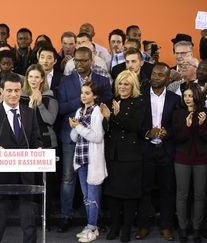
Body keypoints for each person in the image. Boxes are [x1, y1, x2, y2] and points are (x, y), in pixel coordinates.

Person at [0, 73, 42, 243]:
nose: (13, 94)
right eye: (9, 90)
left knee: (29, 222)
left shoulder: (29, 113)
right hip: (1, 176)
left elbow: (36, 140)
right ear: (1, 91)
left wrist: (40, 149)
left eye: (17, 90)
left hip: (25, 175)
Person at [57, 47, 112, 233]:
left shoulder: (103, 81)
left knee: (94, 182)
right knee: (68, 178)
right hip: (71, 137)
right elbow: (61, 108)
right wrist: (80, 102)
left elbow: (106, 106)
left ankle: (94, 219)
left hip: (94, 141)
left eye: (83, 61)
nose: (79, 64)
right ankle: (65, 216)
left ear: (92, 61)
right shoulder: (65, 81)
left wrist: (90, 104)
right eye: (76, 61)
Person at [135, 63, 180, 241]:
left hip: (166, 151)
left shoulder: (174, 99)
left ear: (168, 79)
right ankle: (143, 226)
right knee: (144, 189)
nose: (155, 77)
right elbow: (135, 123)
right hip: (146, 150)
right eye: (154, 74)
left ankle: (166, 226)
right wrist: (147, 132)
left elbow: (177, 125)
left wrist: (167, 133)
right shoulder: (140, 97)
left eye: (160, 75)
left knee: (167, 189)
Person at [101, 70, 145, 242]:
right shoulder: (110, 101)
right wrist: (106, 119)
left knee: (129, 195)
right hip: (113, 155)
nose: (123, 87)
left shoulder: (139, 102)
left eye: (126, 84)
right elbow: (105, 128)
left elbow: (135, 127)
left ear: (133, 85)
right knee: (113, 194)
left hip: (131, 156)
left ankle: (126, 229)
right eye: (120, 83)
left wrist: (115, 116)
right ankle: (115, 226)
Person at [172, 83, 207, 243]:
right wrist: (188, 126)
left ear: (197, 96)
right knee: (182, 194)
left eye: (190, 95)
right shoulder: (177, 114)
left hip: (202, 159)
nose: (187, 99)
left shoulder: (206, 113)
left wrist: (201, 126)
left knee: (199, 195)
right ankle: (183, 228)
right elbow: (177, 138)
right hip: (182, 158)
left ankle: (197, 228)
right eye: (185, 96)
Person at [70, 82, 107, 243]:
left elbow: (97, 137)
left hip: (93, 161)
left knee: (93, 197)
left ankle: (92, 227)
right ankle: (90, 226)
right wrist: (74, 127)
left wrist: (78, 127)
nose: (83, 96)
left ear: (95, 95)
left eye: (87, 93)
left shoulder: (97, 111)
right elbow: (73, 138)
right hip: (80, 158)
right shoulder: (79, 111)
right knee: (86, 196)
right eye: (82, 93)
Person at [20, 64, 58, 149]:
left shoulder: (49, 95)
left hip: (46, 141)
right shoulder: (20, 96)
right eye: (31, 76)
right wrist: (30, 107)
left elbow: (50, 120)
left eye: (37, 77)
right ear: (27, 78)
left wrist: (40, 104)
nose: (33, 80)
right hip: (26, 141)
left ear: (42, 79)